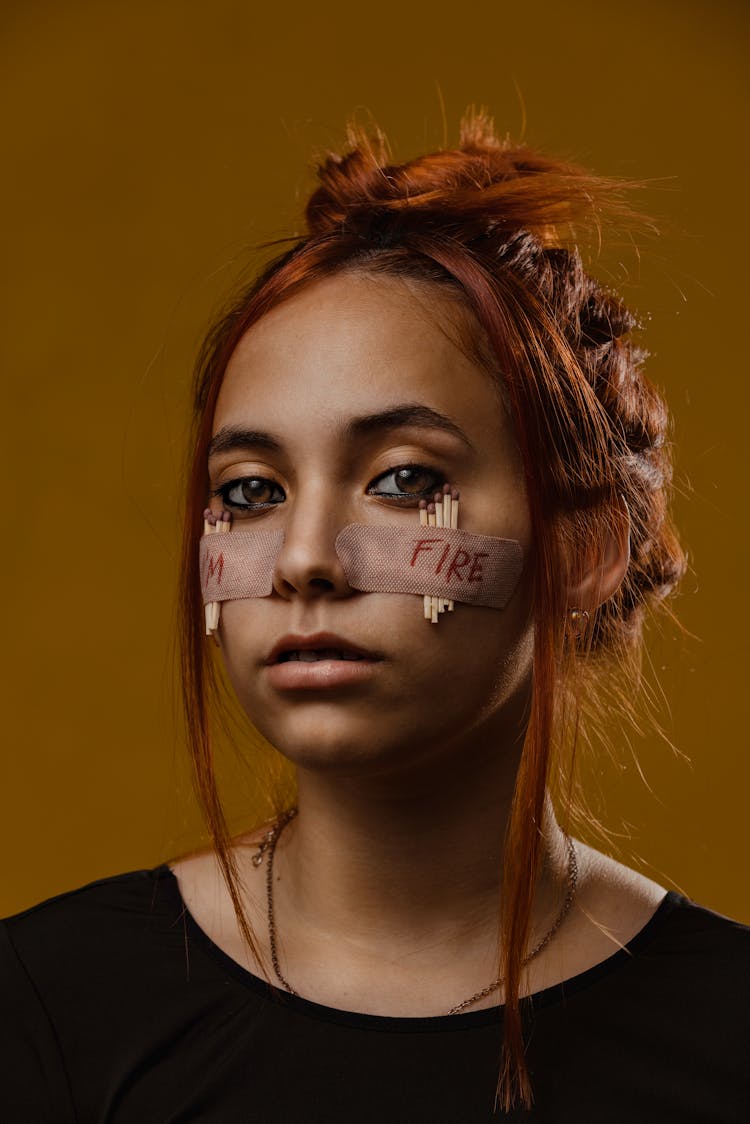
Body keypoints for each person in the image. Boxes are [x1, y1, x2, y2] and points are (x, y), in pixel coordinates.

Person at [2, 110, 748, 1122]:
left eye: (403, 478)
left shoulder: (723, 1030)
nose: (305, 559)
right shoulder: (44, 1008)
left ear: (584, 547)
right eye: (253, 489)